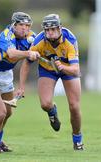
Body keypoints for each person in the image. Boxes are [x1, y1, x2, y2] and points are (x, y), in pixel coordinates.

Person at [17, 14, 84, 150]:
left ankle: (77, 139)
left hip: (68, 70)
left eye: (53, 29)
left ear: (59, 28)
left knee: (74, 106)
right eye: (47, 30)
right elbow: (26, 63)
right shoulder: (39, 41)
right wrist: (21, 86)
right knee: (45, 104)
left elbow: (76, 70)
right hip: (47, 70)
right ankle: (52, 112)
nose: (49, 33)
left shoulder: (70, 39)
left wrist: (63, 67)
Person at [0, 12, 40, 154]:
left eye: (27, 25)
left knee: (8, 113)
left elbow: (39, 46)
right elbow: (12, 54)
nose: (25, 28)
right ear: (14, 25)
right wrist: (29, 53)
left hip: (7, 75)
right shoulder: (6, 36)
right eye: (22, 25)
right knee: (0, 113)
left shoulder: (31, 37)